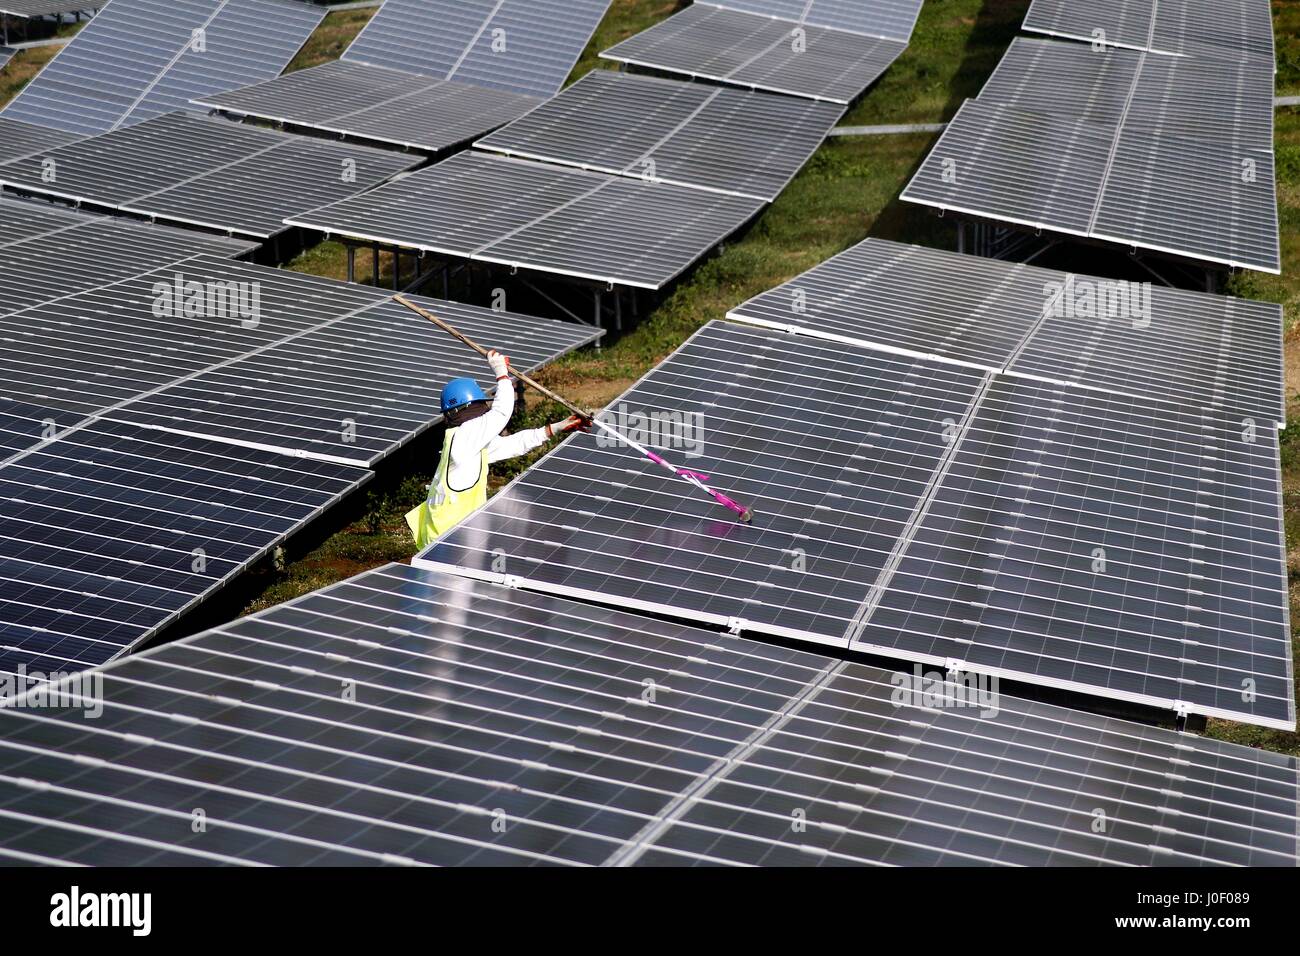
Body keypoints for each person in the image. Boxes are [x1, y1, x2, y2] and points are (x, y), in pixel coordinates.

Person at [406, 349, 589, 548]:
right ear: (470, 407)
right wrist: (501, 374)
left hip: (450, 537)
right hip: (447, 541)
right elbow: (501, 412)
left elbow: (513, 445)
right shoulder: (466, 435)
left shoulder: (469, 443)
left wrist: (555, 428)